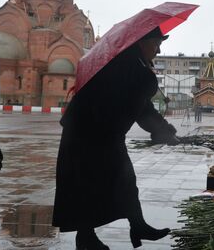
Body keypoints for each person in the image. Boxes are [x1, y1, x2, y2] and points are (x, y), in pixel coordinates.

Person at [52, 27, 180, 250]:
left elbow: (141, 107)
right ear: (141, 42)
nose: (158, 50)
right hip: (90, 134)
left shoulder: (129, 62)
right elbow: (142, 109)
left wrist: (164, 129)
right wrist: (163, 131)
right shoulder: (131, 67)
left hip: (97, 133)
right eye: (156, 43)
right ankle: (92, 237)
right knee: (94, 183)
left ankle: (129, 228)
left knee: (119, 180)